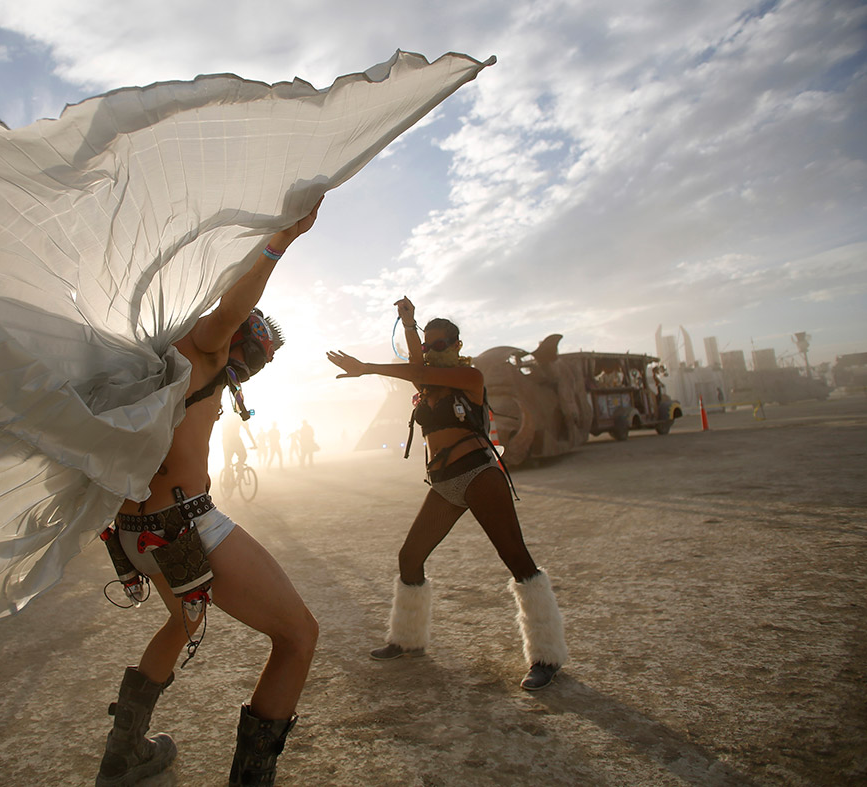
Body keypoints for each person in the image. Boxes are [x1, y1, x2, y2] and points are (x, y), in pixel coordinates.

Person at [97, 201, 322, 787]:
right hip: (187, 527)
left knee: (184, 622)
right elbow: (232, 310)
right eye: (257, 355)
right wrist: (280, 242)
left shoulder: (155, 366)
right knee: (299, 637)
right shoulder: (204, 351)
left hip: (133, 535)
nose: (251, 369)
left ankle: (124, 753)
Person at [325, 296, 568, 691]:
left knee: (517, 560)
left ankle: (546, 656)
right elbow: (419, 367)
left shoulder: (469, 378)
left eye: (441, 345)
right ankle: (407, 638)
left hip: (479, 476)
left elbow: (419, 367)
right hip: (444, 484)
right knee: (410, 558)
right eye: (428, 344)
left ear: (456, 346)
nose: (433, 351)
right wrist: (409, 322)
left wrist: (367, 367)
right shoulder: (427, 384)